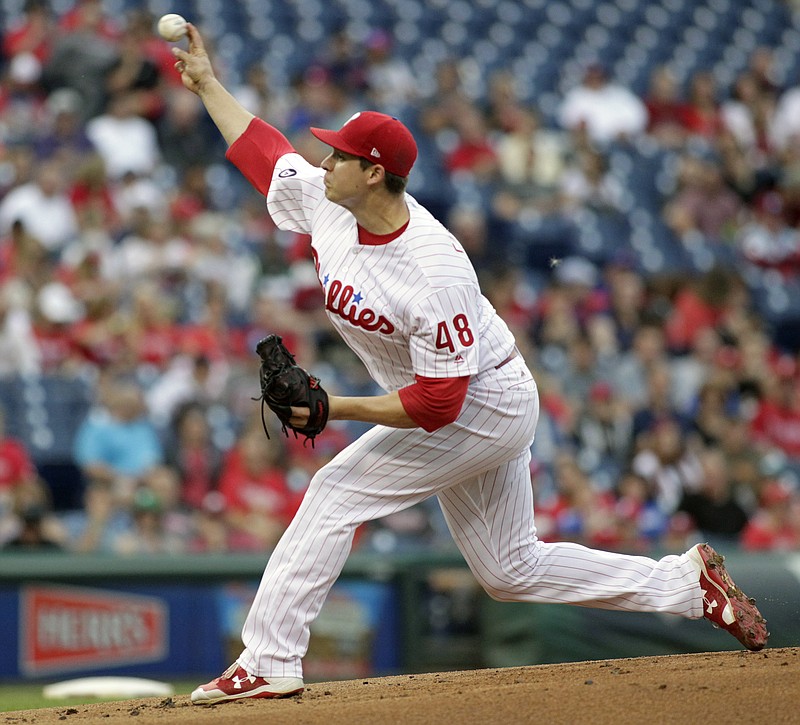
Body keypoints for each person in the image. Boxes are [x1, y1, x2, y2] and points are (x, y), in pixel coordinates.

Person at [172, 26, 768, 706]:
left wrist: (336, 409)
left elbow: (437, 406)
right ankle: (686, 584)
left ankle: (271, 657)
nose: (324, 158)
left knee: (336, 491)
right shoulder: (329, 203)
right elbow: (265, 153)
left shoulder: (433, 268)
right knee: (509, 568)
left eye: (338, 153)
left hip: (482, 402)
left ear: (373, 173)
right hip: (453, 395)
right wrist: (208, 84)